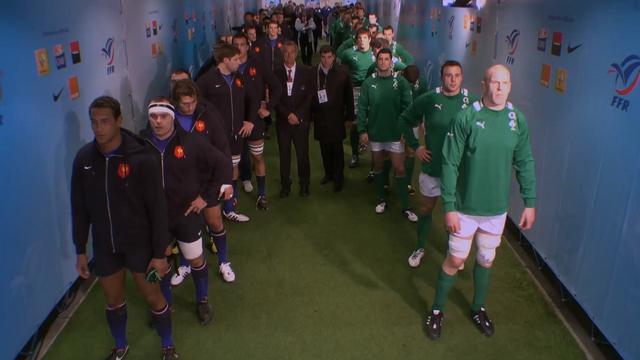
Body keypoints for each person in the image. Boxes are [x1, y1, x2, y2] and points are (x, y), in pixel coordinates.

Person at [424, 64, 537, 340]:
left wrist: (529, 201)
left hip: (496, 210)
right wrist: (449, 206)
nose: (499, 88)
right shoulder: (466, 117)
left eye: (505, 83)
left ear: (510, 87)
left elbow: (524, 161)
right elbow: (450, 163)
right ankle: (437, 310)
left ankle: (478, 307)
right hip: (464, 208)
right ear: (484, 85)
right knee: (456, 258)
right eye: (494, 82)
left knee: (486, 259)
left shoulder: (517, 120)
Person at [71, 96, 178, 359]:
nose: (99, 128)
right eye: (94, 122)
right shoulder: (84, 159)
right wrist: (80, 249)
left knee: (154, 299)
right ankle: (120, 346)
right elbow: (79, 207)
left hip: (140, 245)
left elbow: (158, 208)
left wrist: (160, 253)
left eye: (105, 122)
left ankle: (168, 346)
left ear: (119, 120)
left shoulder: (141, 158)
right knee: (113, 301)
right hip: (106, 245)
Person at [140, 97, 229, 325]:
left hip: (186, 214)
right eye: (153, 116)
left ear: (173, 117)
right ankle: (164, 306)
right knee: (162, 263)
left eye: (163, 116)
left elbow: (222, 165)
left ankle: (203, 299)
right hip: (156, 220)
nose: (158, 121)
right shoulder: (141, 145)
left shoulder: (191, 142)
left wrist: (206, 198)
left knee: (195, 258)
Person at [398, 60, 477, 268]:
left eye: (457, 75)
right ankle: (420, 247)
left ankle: (453, 252)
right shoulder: (429, 98)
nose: (453, 79)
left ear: (462, 77)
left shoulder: (472, 103)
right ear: (442, 77)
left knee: (454, 214)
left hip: (459, 171)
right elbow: (404, 120)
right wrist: (417, 147)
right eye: (448, 75)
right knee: (425, 208)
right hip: (433, 167)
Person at [171, 80, 237, 283]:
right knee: (182, 226)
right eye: (185, 104)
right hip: (180, 183)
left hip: (207, 180)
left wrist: (226, 182)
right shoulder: (168, 118)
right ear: (176, 103)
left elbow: (223, 147)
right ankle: (184, 265)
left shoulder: (209, 115)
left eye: (192, 102)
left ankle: (224, 262)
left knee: (214, 221)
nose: (190, 107)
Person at [196, 44, 255, 223]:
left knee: (232, 169)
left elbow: (252, 99)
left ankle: (229, 208)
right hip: (214, 140)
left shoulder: (239, 78)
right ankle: (211, 213)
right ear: (225, 60)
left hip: (236, 135)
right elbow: (197, 107)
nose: (239, 62)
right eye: (236, 59)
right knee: (215, 173)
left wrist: (250, 120)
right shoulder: (205, 81)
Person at [357, 48, 417, 222]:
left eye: (386, 59)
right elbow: (361, 108)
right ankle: (381, 199)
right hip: (375, 133)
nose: (383, 62)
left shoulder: (401, 82)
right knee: (377, 166)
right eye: (380, 59)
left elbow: (408, 108)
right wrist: (362, 130)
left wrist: (405, 130)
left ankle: (406, 206)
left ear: (391, 61)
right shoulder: (369, 83)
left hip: (395, 134)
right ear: (376, 61)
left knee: (399, 167)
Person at [232, 33, 283, 210]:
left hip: (255, 121)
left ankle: (262, 194)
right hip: (234, 123)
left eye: (242, 44)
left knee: (257, 157)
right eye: (235, 44)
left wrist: (268, 108)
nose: (239, 47)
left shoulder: (258, 65)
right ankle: (233, 197)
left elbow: (277, 87)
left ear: (248, 46)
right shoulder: (227, 67)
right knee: (233, 161)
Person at [311, 45, 354, 192]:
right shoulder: (314, 73)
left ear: (334, 57)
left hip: (337, 118)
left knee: (337, 149)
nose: (326, 60)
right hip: (320, 118)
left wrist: (350, 117)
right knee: (324, 148)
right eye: (323, 57)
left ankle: (338, 177)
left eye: (329, 57)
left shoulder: (343, 72)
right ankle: (328, 173)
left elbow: (349, 96)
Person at [274, 41, 314, 197]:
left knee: (302, 154)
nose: (289, 55)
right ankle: (285, 185)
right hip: (283, 122)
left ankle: (304, 184)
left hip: (301, 121)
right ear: (282, 54)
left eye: (292, 52)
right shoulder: (276, 73)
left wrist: (297, 115)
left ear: (296, 53)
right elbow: (275, 99)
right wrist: (287, 114)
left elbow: (309, 96)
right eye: (286, 52)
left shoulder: (306, 71)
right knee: (284, 155)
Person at [338, 28, 375, 168]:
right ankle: (354, 154)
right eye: (359, 38)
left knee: (371, 123)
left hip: (372, 91)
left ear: (369, 39)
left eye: (365, 38)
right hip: (355, 91)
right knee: (354, 123)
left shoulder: (375, 53)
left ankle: (373, 162)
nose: (362, 41)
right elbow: (339, 60)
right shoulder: (349, 53)